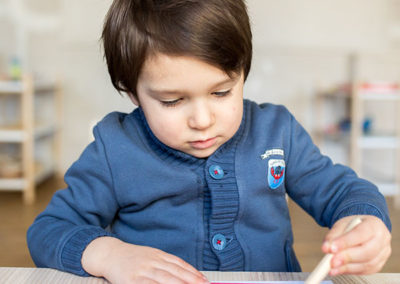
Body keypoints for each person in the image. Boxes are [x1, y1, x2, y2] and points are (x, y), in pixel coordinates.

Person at [27, 0, 392, 283]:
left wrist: (364, 222)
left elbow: (345, 191)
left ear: (243, 72)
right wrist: (110, 255)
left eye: (221, 92)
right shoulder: (115, 148)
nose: (202, 121)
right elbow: (48, 230)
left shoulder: (276, 131)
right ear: (132, 92)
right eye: (172, 101)